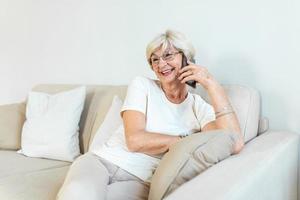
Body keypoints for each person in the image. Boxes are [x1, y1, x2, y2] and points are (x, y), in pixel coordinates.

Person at [57, 30, 244, 200]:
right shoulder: (142, 86)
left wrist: (212, 84)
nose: (161, 64)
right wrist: (185, 140)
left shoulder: (198, 107)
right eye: (154, 59)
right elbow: (135, 141)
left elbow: (234, 142)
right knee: (76, 192)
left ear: (186, 59)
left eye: (168, 55)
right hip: (102, 162)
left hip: (142, 180)